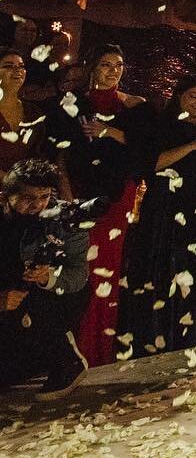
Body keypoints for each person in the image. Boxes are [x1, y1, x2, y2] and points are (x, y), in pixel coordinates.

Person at [119, 75, 196, 355]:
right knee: (170, 271)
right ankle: (164, 336)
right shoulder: (163, 125)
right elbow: (152, 164)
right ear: (178, 96)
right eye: (193, 96)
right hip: (169, 211)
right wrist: (193, 145)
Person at [55, 44, 148, 366]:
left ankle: (100, 350)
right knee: (79, 269)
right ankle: (73, 349)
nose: (113, 70)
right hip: (79, 196)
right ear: (93, 67)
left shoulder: (134, 106)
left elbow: (145, 152)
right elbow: (62, 155)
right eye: (106, 64)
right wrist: (67, 199)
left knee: (106, 271)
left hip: (116, 197)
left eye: (119, 65)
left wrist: (108, 131)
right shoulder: (73, 104)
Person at [0, 159, 95, 400]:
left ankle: (66, 360)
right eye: (29, 198)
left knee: (36, 309)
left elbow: (79, 275)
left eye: (44, 196)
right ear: (5, 197)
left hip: (52, 296)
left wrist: (49, 276)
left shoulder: (65, 219)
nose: (38, 205)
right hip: (7, 292)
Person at [0, 47, 51, 174]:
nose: (18, 70)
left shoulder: (33, 112)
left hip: (21, 188)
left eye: (21, 66)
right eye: (8, 66)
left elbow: (37, 154)